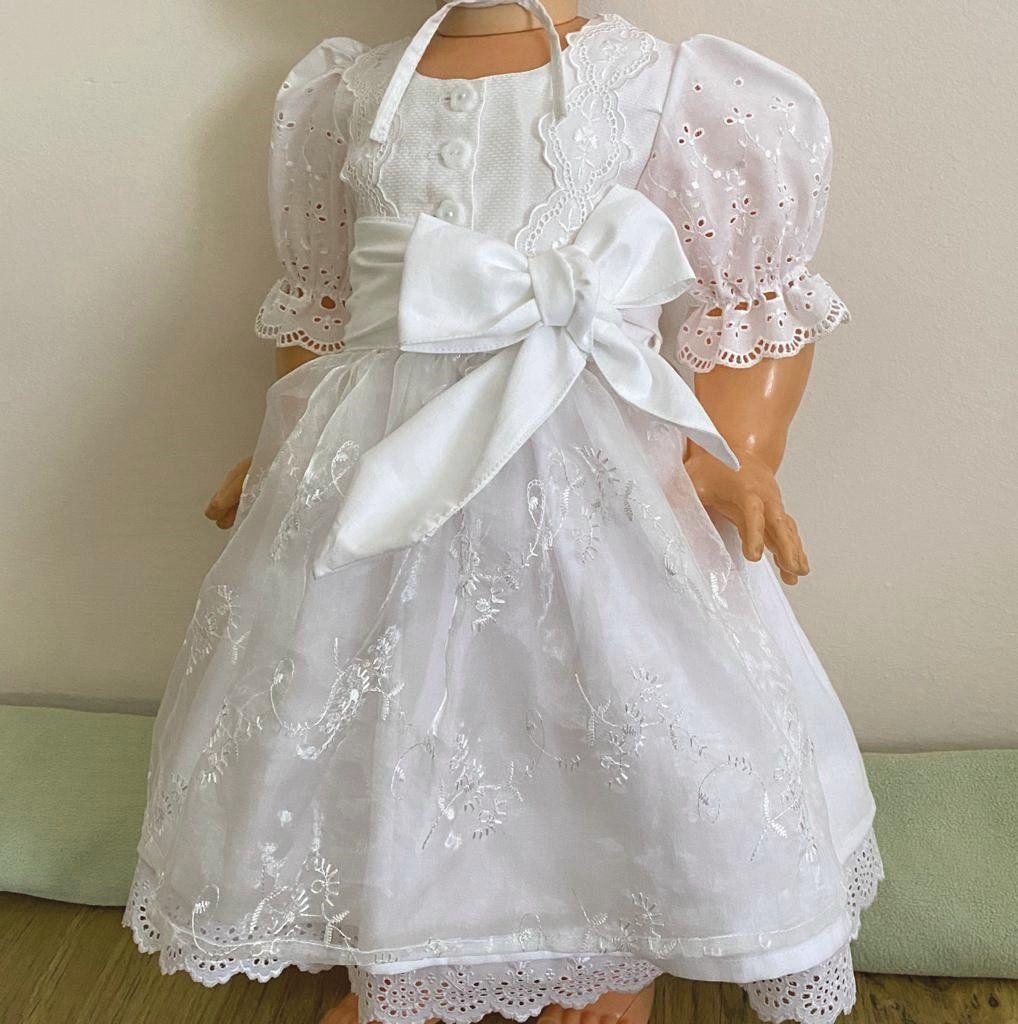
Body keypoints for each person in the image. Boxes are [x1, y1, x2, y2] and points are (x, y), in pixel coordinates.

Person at [124, 3, 883, 1022]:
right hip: (385, 461)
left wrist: (741, 457)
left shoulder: (668, 85)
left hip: (594, 457)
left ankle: (616, 951)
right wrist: (282, 447)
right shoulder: (347, 93)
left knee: (612, 701)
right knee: (379, 718)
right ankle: (402, 964)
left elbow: (744, 301)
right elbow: (326, 304)